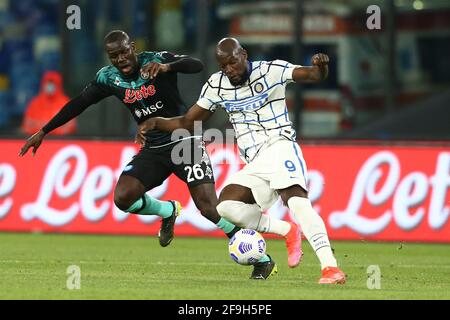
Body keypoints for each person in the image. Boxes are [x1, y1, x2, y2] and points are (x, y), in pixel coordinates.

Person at [136, 38, 346, 284]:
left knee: (297, 204)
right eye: (223, 66)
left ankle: (330, 268)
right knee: (225, 208)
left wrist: (320, 67)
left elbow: (312, 75)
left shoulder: (271, 70)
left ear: (243, 54)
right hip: (254, 161)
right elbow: (187, 122)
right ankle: (287, 231)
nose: (229, 70)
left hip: (280, 146)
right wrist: (156, 122)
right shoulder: (216, 85)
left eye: (233, 62)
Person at [19, 30, 240, 249]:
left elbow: (196, 64)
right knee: (123, 197)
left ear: (132, 47)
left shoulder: (155, 60)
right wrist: (44, 131)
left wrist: (167, 67)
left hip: (185, 140)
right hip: (153, 147)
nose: (120, 59)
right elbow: (79, 103)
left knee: (209, 208)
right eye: (114, 56)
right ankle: (168, 211)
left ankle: (249, 247)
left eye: (124, 52)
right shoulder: (109, 78)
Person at [22, 71, 76, 135]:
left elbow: (70, 127)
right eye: (47, 83)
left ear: (58, 84)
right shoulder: (35, 103)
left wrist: (44, 129)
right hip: (38, 141)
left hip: (59, 141)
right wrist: (50, 129)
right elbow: (27, 126)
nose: (50, 86)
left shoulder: (65, 102)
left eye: (53, 83)